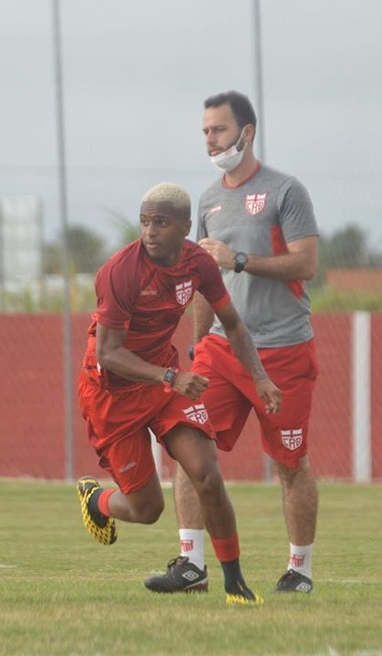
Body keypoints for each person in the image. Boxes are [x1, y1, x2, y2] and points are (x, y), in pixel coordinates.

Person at [143, 90, 321, 595]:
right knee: (186, 444)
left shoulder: (286, 191)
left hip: (283, 349)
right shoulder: (207, 201)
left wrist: (238, 259)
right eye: (205, 131)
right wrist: (198, 344)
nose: (211, 140)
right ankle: (191, 565)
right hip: (221, 350)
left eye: (219, 129)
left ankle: (299, 570)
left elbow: (307, 263)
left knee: (290, 463)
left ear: (247, 132)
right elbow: (205, 282)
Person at [75, 181, 283, 606]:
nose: (150, 232)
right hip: (113, 394)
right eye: (144, 222)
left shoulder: (197, 263)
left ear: (186, 228)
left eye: (161, 223)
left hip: (163, 384)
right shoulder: (120, 272)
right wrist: (170, 377)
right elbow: (109, 354)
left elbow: (233, 323)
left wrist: (260, 377)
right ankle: (98, 501)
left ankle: (235, 585)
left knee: (206, 474)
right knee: (147, 510)